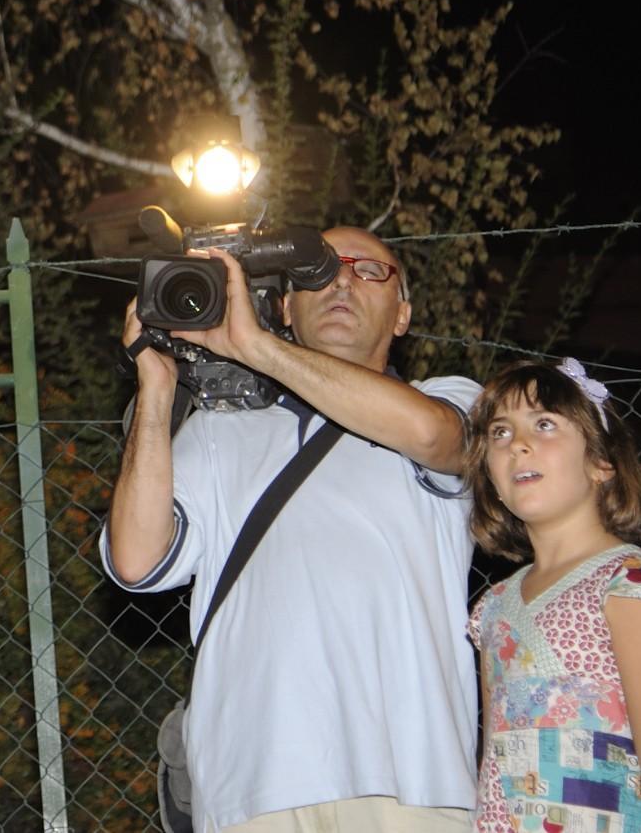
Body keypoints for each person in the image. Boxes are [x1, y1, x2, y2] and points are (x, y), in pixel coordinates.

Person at [104, 226, 481, 832]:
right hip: (252, 783)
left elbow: (438, 439)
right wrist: (156, 386)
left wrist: (257, 349)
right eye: (318, 271)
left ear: (403, 313)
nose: (341, 281)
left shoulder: (446, 400)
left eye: (370, 271)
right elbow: (136, 561)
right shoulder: (219, 431)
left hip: (412, 778)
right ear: (284, 305)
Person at [466, 360, 641, 832]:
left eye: (545, 424)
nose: (519, 445)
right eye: (500, 433)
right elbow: (494, 757)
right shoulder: (493, 606)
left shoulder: (630, 585)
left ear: (601, 462)